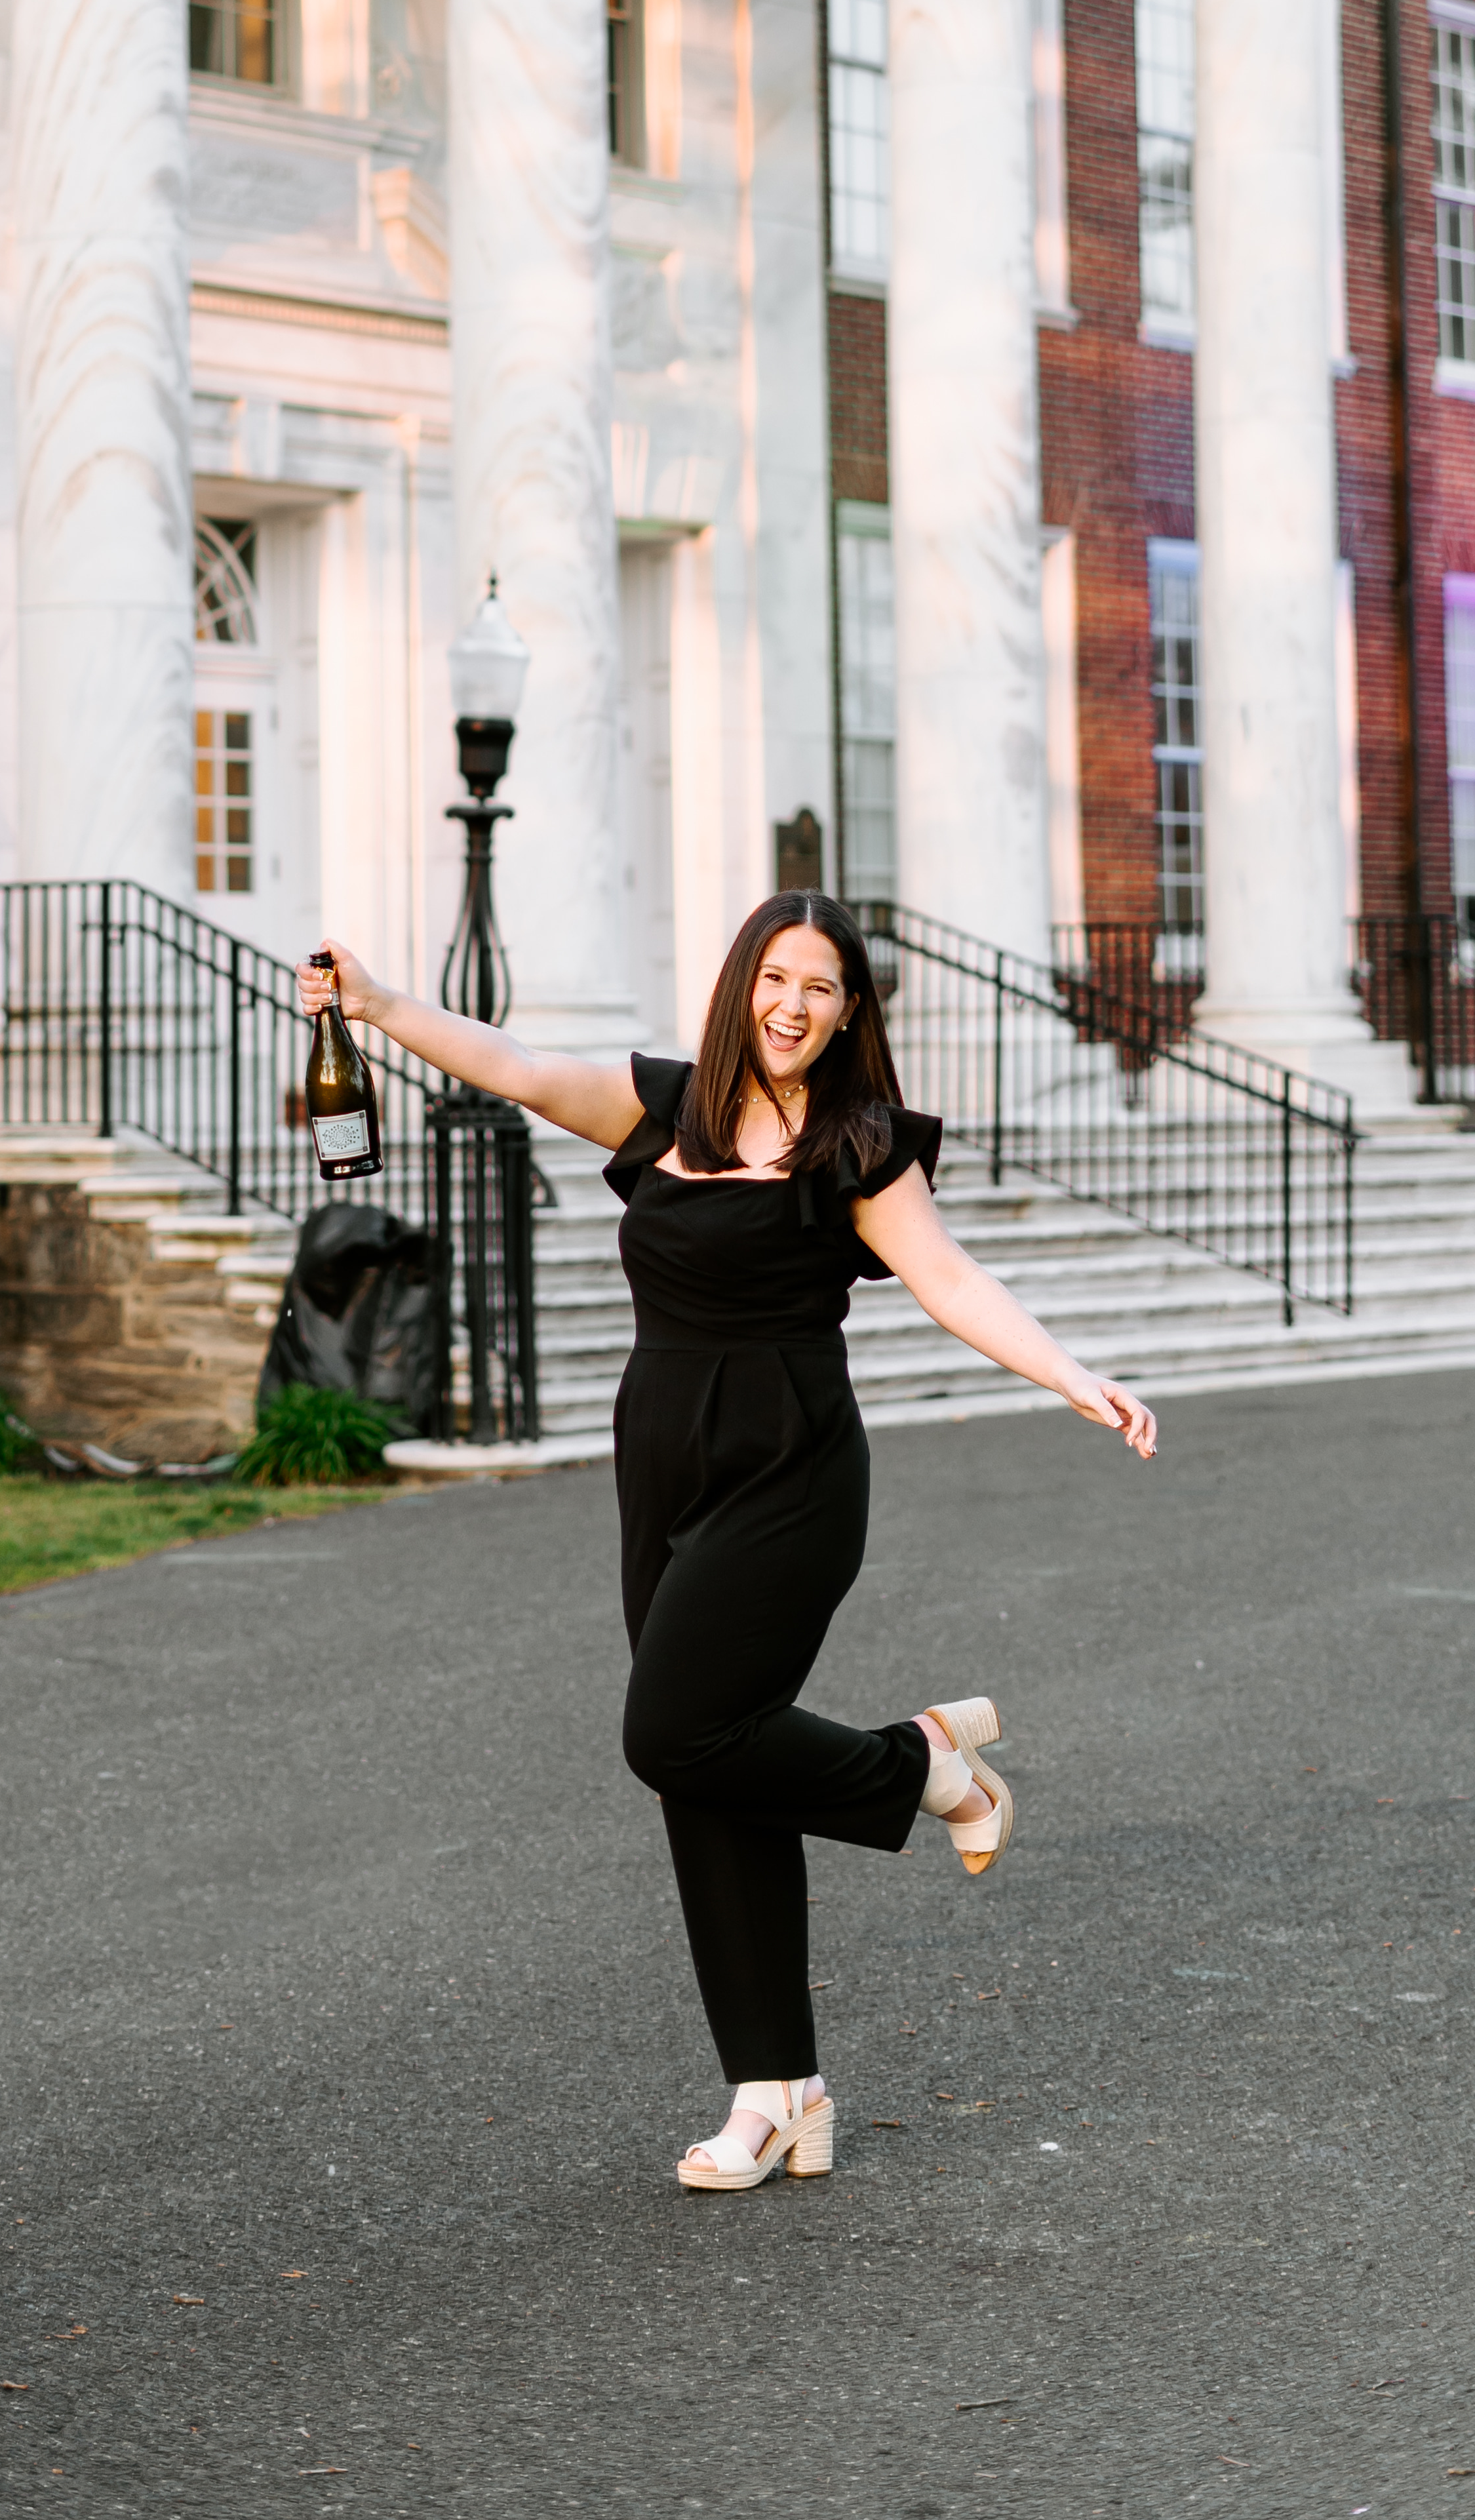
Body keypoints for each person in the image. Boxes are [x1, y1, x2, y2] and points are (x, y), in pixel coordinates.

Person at [295, 890, 1158, 2195]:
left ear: (849, 1010)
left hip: (793, 1473)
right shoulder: (662, 1108)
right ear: (739, 985)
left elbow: (951, 1280)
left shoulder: (858, 1145)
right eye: (774, 978)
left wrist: (1072, 1376)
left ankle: (921, 1766)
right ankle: (776, 2091)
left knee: (672, 1730)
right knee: (709, 1769)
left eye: (820, 986)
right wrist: (378, 1005)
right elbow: (518, 1068)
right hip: (665, 1467)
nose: (792, 1005)